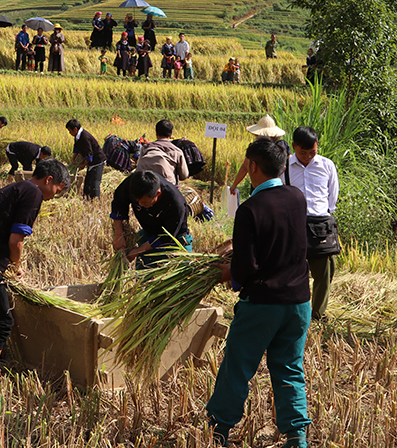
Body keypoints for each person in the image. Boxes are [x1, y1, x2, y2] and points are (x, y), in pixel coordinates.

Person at [207, 137, 311, 448]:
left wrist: (228, 273)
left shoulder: (250, 208)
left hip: (263, 304)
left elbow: (246, 268)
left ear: (253, 166)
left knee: (238, 366)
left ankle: (219, 431)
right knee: (290, 368)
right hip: (299, 302)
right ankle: (296, 437)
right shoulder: (297, 197)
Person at [0, 158, 70, 371]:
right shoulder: (34, 193)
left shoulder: (18, 188)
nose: (54, 196)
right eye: (57, 190)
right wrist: (16, 267)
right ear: (49, 179)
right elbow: (16, 240)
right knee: (2, 323)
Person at [288, 127, 340, 322]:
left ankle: (318, 314)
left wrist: (323, 217)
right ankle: (294, 312)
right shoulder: (285, 167)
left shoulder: (327, 166)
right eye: (303, 152)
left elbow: (332, 198)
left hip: (320, 227)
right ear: (294, 147)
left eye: (313, 152)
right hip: (294, 226)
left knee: (325, 272)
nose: (308, 156)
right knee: (292, 271)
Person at [110, 170, 192, 269]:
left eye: (145, 203)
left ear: (158, 193)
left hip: (174, 239)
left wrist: (137, 251)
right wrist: (119, 235)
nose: (140, 205)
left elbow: (166, 236)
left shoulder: (175, 203)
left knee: (179, 275)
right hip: (148, 234)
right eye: (137, 201)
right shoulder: (133, 184)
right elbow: (119, 204)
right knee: (144, 279)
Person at [230, 114, 290, 196]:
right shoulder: (282, 146)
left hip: (259, 187)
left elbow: (245, 167)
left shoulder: (255, 148)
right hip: (279, 187)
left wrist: (234, 184)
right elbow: (290, 166)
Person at [135, 120, 189, 185]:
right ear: (171, 134)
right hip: (167, 187)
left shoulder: (146, 147)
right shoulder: (177, 151)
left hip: (144, 186)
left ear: (156, 133)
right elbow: (184, 175)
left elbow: (139, 167)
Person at [66, 118, 106, 200]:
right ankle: (86, 198)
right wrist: (73, 159)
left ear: (75, 129)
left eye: (70, 131)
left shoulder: (85, 137)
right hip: (91, 162)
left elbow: (89, 154)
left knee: (95, 182)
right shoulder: (77, 136)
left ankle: (95, 200)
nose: (69, 133)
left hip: (97, 161)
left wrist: (83, 165)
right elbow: (76, 148)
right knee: (88, 182)